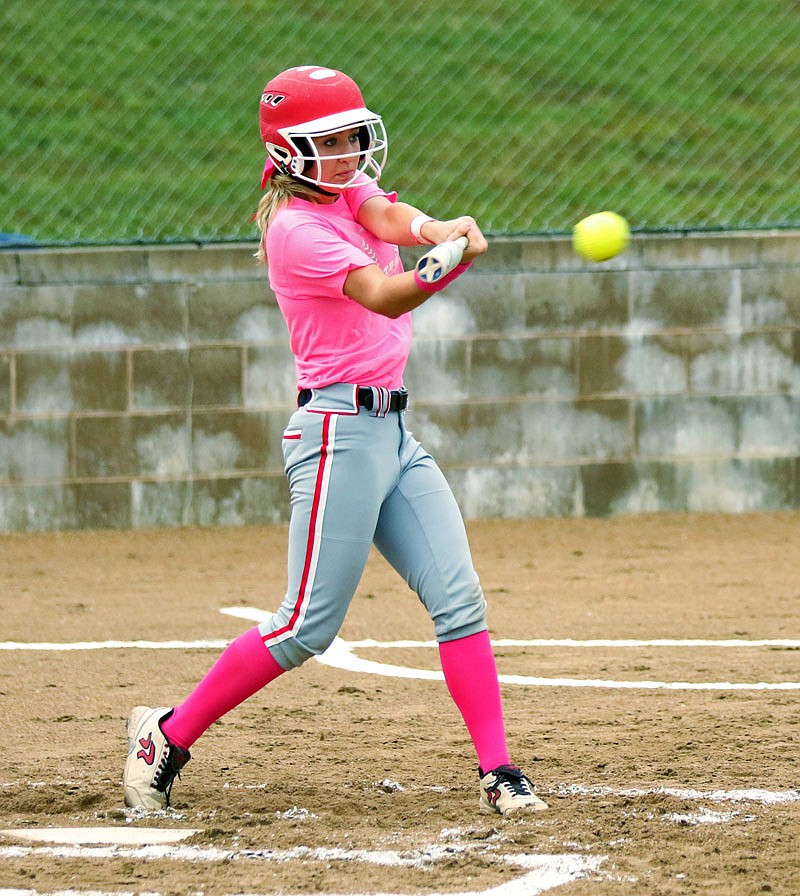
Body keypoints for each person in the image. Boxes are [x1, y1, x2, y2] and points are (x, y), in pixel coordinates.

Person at [122, 65, 547, 817]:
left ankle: (499, 770)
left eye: (352, 135)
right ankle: (168, 737)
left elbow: (387, 215)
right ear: (290, 153)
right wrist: (445, 266)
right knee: (304, 627)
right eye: (330, 141)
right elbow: (385, 296)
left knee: (459, 600)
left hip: (392, 432)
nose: (350, 151)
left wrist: (434, 230)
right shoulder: (296, 230)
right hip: (337, 436)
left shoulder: (343, 192)